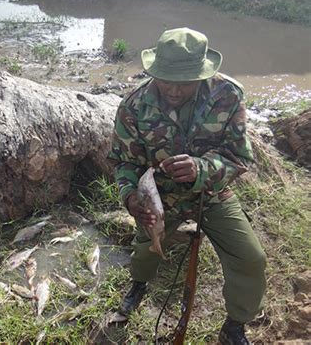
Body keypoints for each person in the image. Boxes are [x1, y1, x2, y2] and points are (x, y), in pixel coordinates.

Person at [108, 27, 266, 344]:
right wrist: (130, 198)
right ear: (155, 71)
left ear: (202, 72)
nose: (175, 91)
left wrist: (201, 169)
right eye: (166, 80)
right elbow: (123, 162)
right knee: (146, 250)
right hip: (160, 197)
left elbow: (238, 158)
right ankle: (139, 283)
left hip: (212, 193)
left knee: (251, 259)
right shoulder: (134, 105)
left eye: (184, 83)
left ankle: (235, 324)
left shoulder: (228, 95)